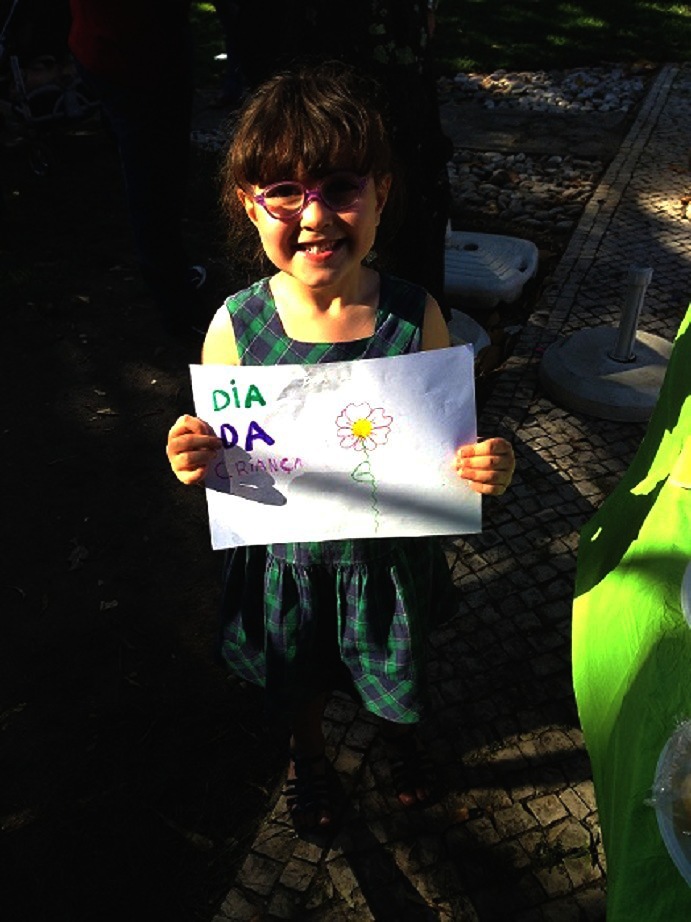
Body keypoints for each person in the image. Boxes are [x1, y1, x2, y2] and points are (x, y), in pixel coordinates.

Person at [166, 62, 515, 833]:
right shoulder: (234, 326)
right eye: (285, 192)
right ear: (248, 204)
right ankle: (308, 755)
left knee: (393, 664)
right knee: (295, 678)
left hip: (386, 563)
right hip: (284, 566)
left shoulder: (413, 315)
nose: (315, 215)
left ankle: (397, 738)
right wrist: (191, 454)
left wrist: (490, 464)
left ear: (381, 194)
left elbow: (451, 444)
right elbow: (216, 449)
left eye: (339, 187)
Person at [67, 0, 208, 334]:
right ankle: (177, 303)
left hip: (109, 49)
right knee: (155, 180)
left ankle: (170, 278)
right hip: (138, 59)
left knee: (148, 169)